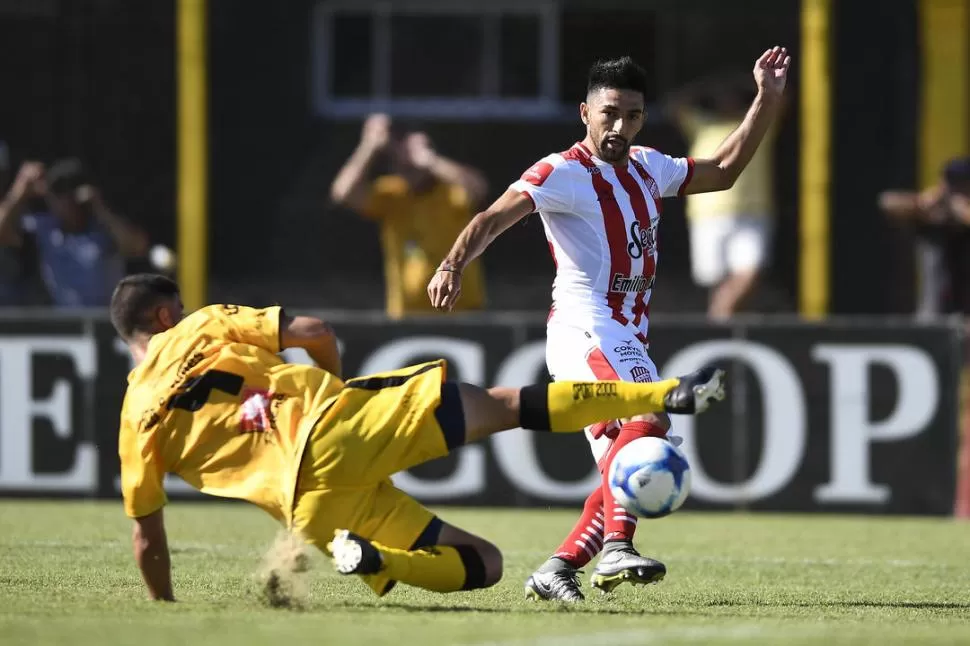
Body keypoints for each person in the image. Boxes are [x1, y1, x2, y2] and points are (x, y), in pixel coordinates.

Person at [112, 273, 725, 601]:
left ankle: (378, 561)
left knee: (480, 563)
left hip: (309, 509)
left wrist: (166, 606)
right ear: (166, 316)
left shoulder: (134, 414)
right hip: (338, 424)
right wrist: (338, 393)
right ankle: (659, 394)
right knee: (507, 407)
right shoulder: (200, 326)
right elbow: (315, 330)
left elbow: (147, 535)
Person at [428, 48, 789, 601]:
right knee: (649, 419)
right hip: (586, 330)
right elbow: (492, 217)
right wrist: (453, 263)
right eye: (610, 113)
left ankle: (558, 568)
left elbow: (723, 171)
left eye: (633, 115)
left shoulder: (648, 165)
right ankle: (618, 548)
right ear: (585, 113)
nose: (620, 126)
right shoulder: (561, 172)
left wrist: (767, 97)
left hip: (623, 335)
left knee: (632, 455)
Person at [330, 115, 488, 318]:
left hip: (462, 312)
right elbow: (342, 193)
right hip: (407, 315)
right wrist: (369, 146)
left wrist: (429, 159)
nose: (408, 162)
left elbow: (478, 189)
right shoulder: (392, 194)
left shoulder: (450, 192)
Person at [665, 74, 780, 319]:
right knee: (716, 281)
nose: (726, 101)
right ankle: (723, 331)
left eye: (731, 97)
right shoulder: (702, 125)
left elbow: (782, 101)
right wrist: (707, 87)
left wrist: (748, 84)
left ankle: (719, 319)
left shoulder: (755, 127)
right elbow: (674, 105)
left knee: (750, 272)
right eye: (722, 98)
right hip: (707, 214)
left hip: (752, 212)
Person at [0, 158, 149, 307]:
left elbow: (137, 248)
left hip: (104, 323)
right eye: (56, 192)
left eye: (68, 191)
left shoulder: (104, 227)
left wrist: (99, 207)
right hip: (65, 325)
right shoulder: (46, 227)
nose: (61, 200)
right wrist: (20, 190)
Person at [879, 157, 970, 318]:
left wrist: (963, 211)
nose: (958, 188)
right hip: (935, 312)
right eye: (953, 182)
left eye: (963, 183)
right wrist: (923, 202)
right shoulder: (935, 214)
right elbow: (887, 203)